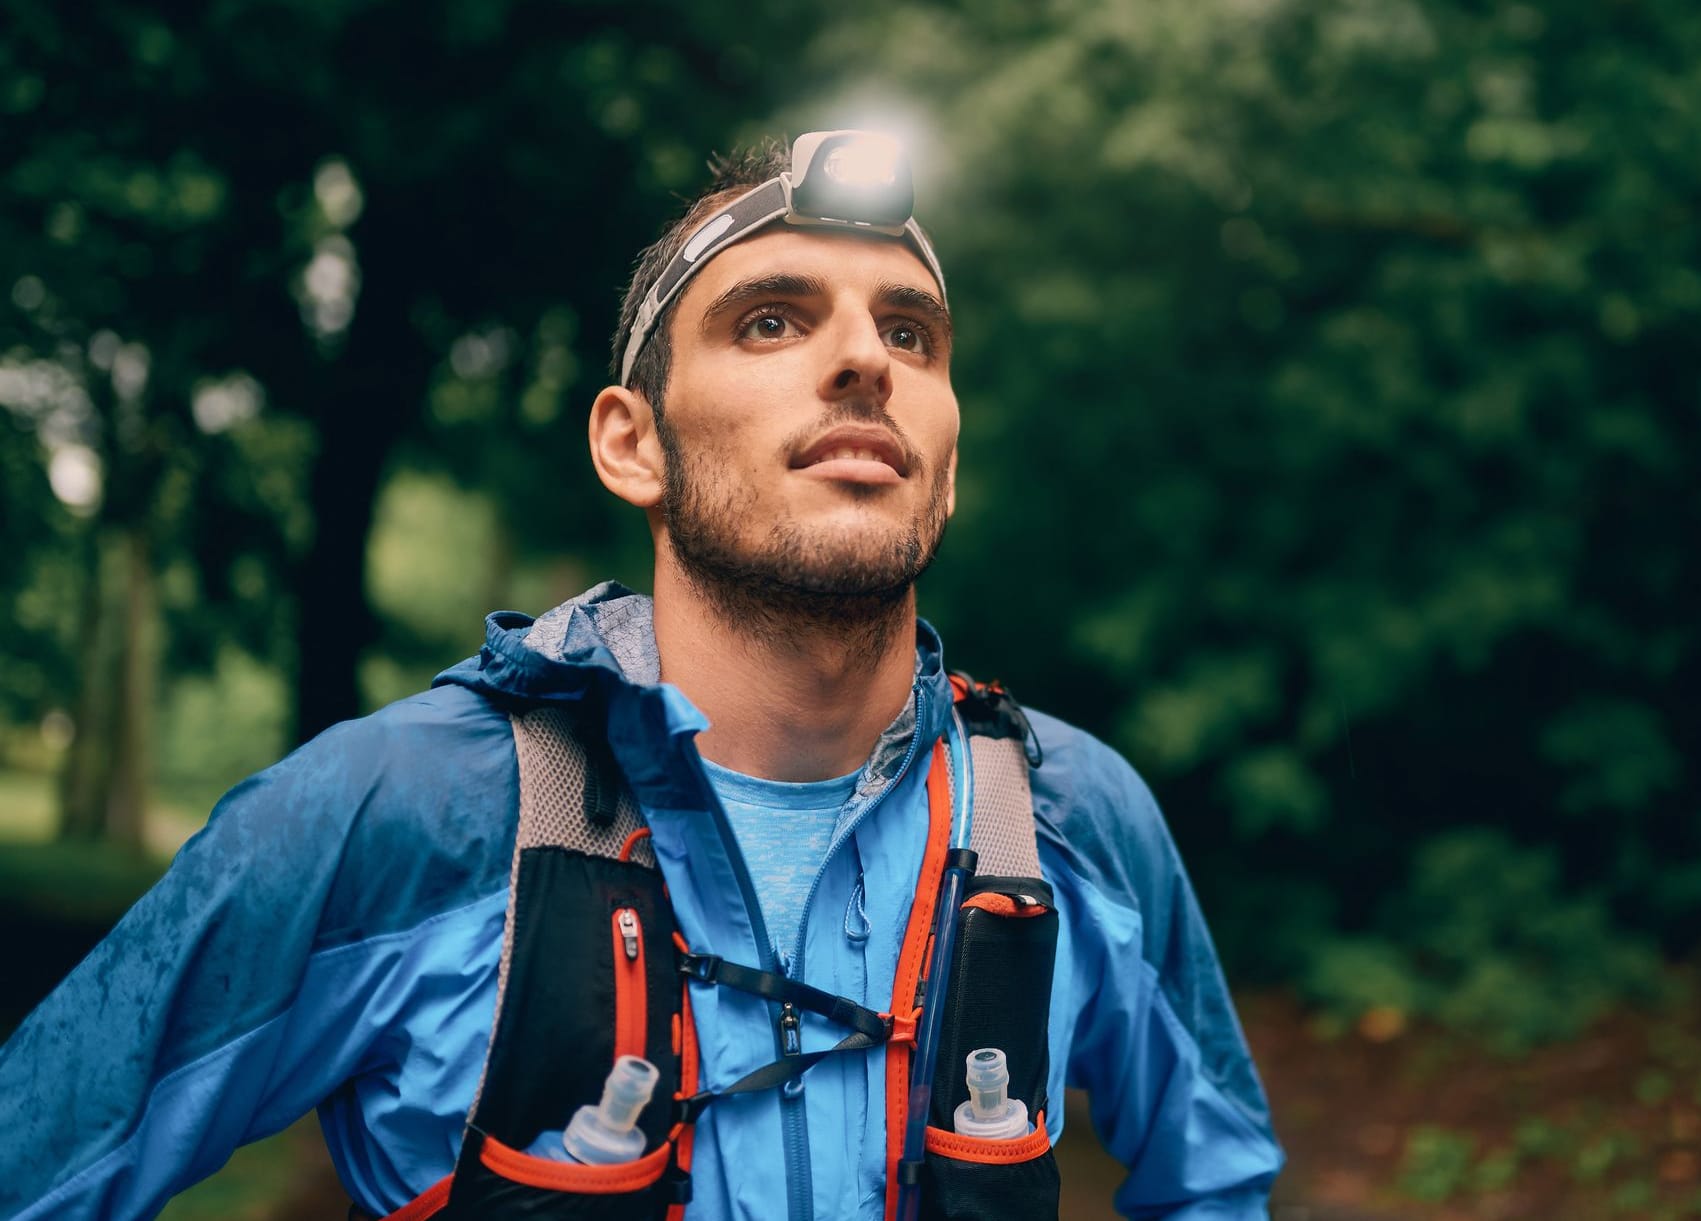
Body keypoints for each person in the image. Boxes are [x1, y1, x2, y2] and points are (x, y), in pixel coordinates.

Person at [0, 131, 1282, 1220]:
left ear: (944, 462)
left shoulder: (1071, 814)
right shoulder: (386, 813)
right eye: (771, 320)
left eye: (911, 333)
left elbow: (1218, 1181)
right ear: (633, 443)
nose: (865, 362)